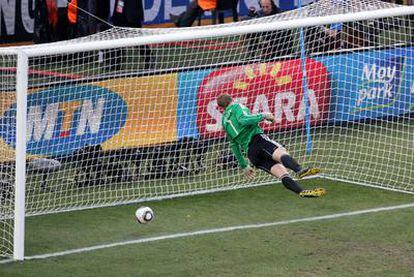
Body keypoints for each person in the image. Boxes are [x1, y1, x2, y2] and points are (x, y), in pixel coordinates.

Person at [217, 93, 326, 198]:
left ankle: (301, 192)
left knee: (282, 174)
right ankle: (299, 170)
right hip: (258, 140)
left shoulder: (224, 122)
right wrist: (263, 115)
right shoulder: (237, 106)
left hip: (252, 155)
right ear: (232, 99)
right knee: (281, 153)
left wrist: (244, 165)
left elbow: (234, 145)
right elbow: (243, 120)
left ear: (222, 107)